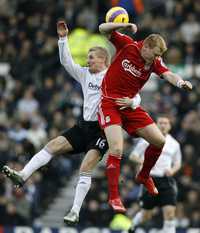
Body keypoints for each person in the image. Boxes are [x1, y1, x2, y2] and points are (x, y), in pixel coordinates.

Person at [1, 21, 141, 225]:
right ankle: (22, 175)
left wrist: (132, 102)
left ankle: (75, 211)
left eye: (91, 57)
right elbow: (67, 62)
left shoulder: (113, 77)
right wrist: (63, 39)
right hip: (83, 126)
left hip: (102, 132)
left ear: (103, 59)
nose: (88, 60)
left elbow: (136, 96)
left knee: (86, 166)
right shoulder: (85, 74)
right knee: (52, 145)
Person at [98, 22, 192, 212]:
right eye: (156, 54)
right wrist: (124, 24)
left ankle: (143, 175)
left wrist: (181, 82)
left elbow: (168, 74)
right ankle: (114, 196)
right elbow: (102, 28)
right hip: (110, 103)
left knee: (159, 140)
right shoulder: (128, 45)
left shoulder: (154, 62)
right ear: (146, 47)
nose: (157, 58)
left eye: (160, 56)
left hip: (130, 106)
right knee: (117, 149)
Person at [128, 116, 182, 233]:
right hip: (150, 179)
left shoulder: (174, 144)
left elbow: (178, 163)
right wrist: (143, 162)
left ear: (169, 126)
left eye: (165, 123)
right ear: (156, 125)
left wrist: (172, 171)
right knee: (146, 215)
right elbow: (133, 156)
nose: (163, 125)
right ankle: (133, 225)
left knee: (170, 214)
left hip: (166, 180)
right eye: (160, 123)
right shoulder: (147, 139)